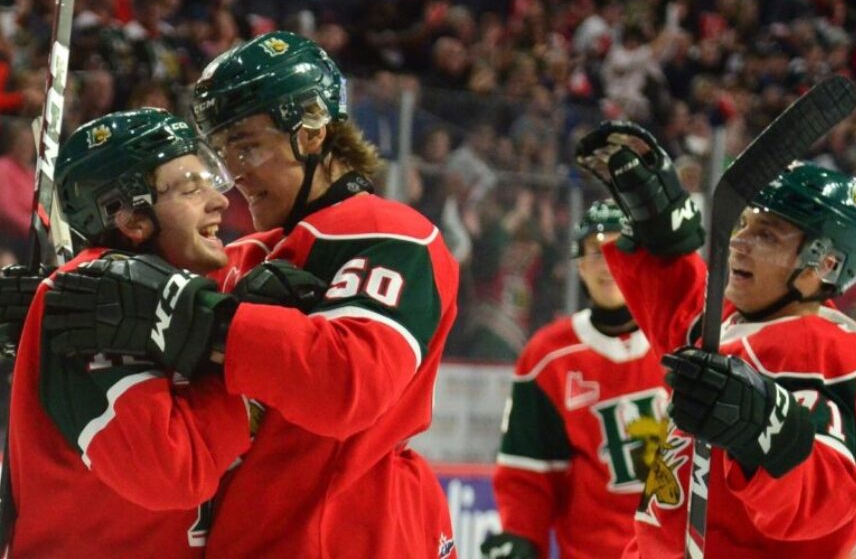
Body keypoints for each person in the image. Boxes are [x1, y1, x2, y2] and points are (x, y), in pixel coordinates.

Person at [42, 32, 460, 558]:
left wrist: (200, 320)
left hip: (356, 532)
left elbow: (347, 384)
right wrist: (47, 303)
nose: (233, 175)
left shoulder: (391, 234)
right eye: (221, 151)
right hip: (261, 533)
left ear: (310, 130)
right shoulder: (249, 252)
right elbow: (145, 316)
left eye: (246, 145)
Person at [574, 121, 856, 558]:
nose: (739, 242)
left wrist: (770, 428)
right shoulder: (748, 319)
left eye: (767, 234)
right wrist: (659, 237)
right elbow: (687, 325)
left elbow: (828, 497)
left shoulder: (820, 349)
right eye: (744, 224)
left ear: (824, 264)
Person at [7, 108, 254, 556]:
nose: (219, 200)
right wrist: (252, 378)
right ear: (131, 218)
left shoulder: (171, 288)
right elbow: (172, 474)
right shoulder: (90, 300)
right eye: (189, 188)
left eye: (208, 179)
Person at [480, 200, 667, 559]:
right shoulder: (547, 358)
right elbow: (528, 473)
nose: (609, 262)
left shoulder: (681, 340)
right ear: (579, 266)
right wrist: (521, 537)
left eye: (622, 248)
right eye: (597, 251)